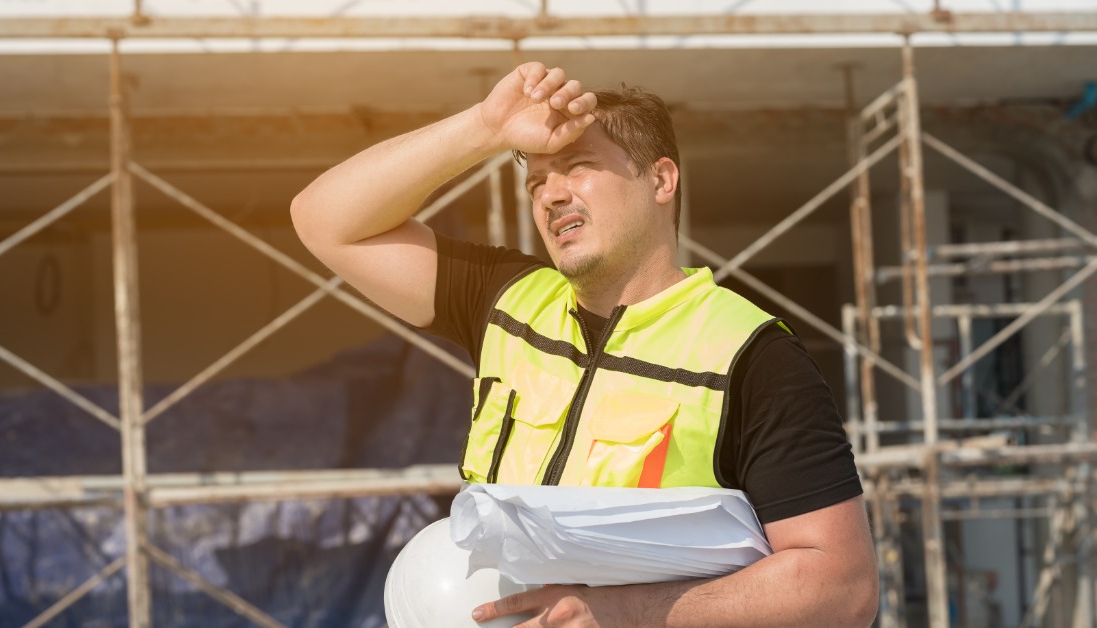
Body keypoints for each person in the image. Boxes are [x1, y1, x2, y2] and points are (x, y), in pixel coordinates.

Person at [291, 62, 878, 627]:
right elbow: (324, 220)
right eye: (537, 181)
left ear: (662, 180)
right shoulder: (503, 299)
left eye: (578, 166)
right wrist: (485, 128)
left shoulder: (749, 354)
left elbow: (842, 587)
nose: (551, 194)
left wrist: (631, 616)